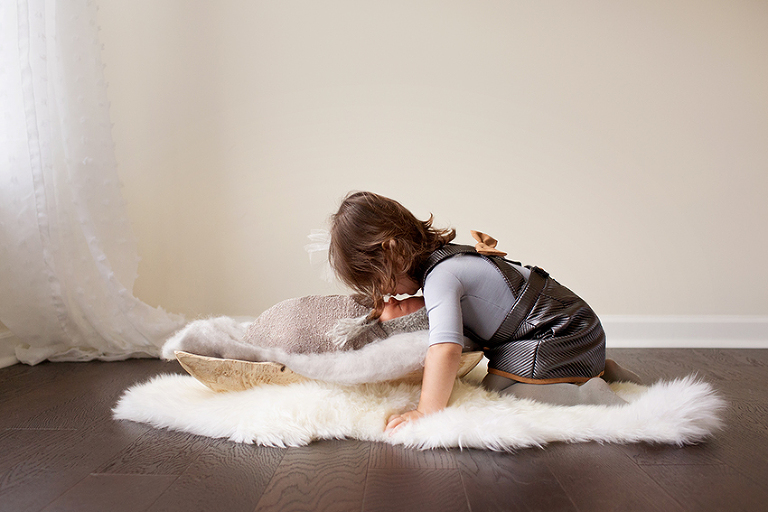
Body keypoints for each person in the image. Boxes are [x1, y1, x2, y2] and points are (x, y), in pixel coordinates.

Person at [328, 191, 643, 433]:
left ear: (393, 252)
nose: (383, 292)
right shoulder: (449, 260)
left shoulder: (441, 278)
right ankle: (598, 366)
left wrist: (426, 411)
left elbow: (445, 349)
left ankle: (588, 396)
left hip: (557, 332)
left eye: (378, 280)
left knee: (498, 389)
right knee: (501, 373)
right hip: (576, 327)